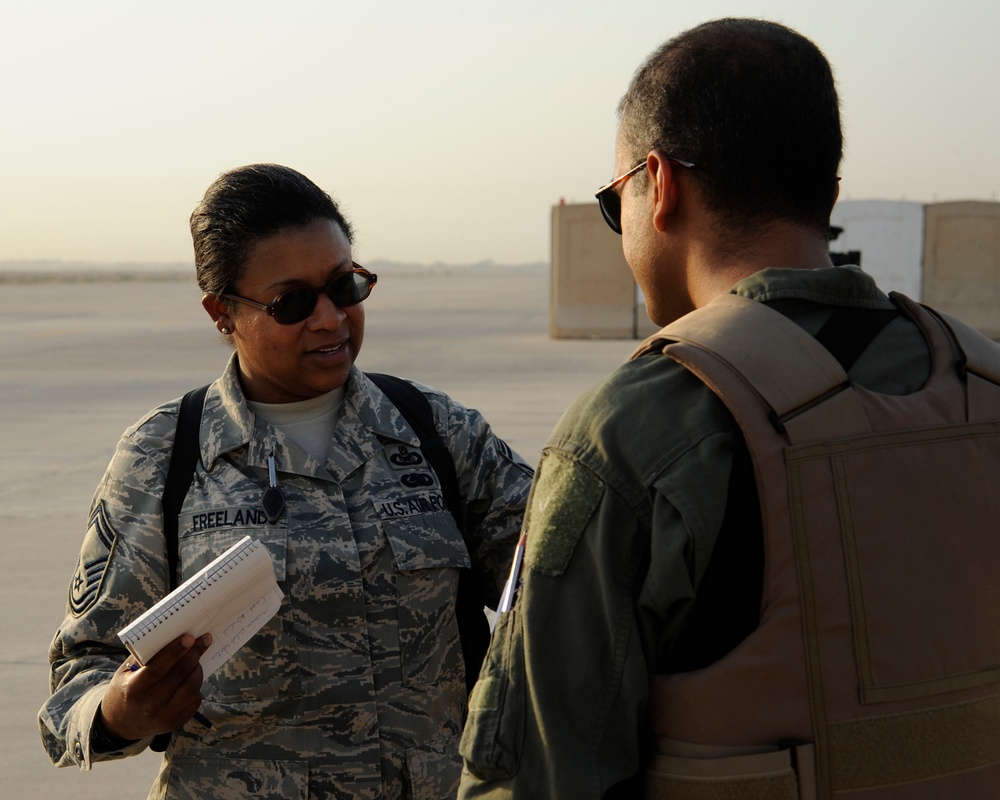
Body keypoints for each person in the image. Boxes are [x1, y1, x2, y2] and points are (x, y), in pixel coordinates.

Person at [458, 18, 1000, 800]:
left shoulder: (637, 429)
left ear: (661, 185)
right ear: (829, 195)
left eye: (616, 204)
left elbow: (540, 773)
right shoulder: (983, 381)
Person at [39, 163, 533, 800]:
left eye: (344, 287)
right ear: (222, 313)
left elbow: (560, 578)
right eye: (292, 302)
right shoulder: (164, 457)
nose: (329, 318)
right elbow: (78, 682)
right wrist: (121, 712)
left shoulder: (439, 433)